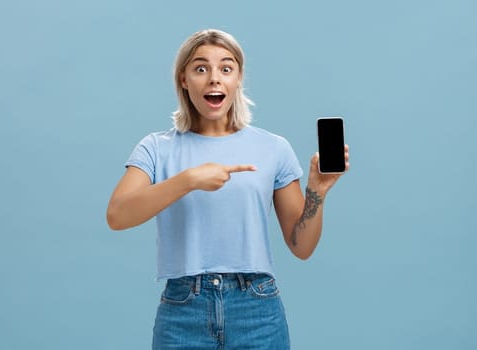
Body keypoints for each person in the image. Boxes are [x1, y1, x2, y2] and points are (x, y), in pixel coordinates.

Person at [106, 29, 349, 349]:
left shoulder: (273, 148)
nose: (214, 79)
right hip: (183, 310)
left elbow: (301, 246)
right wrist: (189, 180)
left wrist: (317, 192)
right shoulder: (156, 148)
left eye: (226, 68)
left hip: (256, 309)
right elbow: (118, 214)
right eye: (201, 68)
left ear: (238, 78)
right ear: (183, 79)